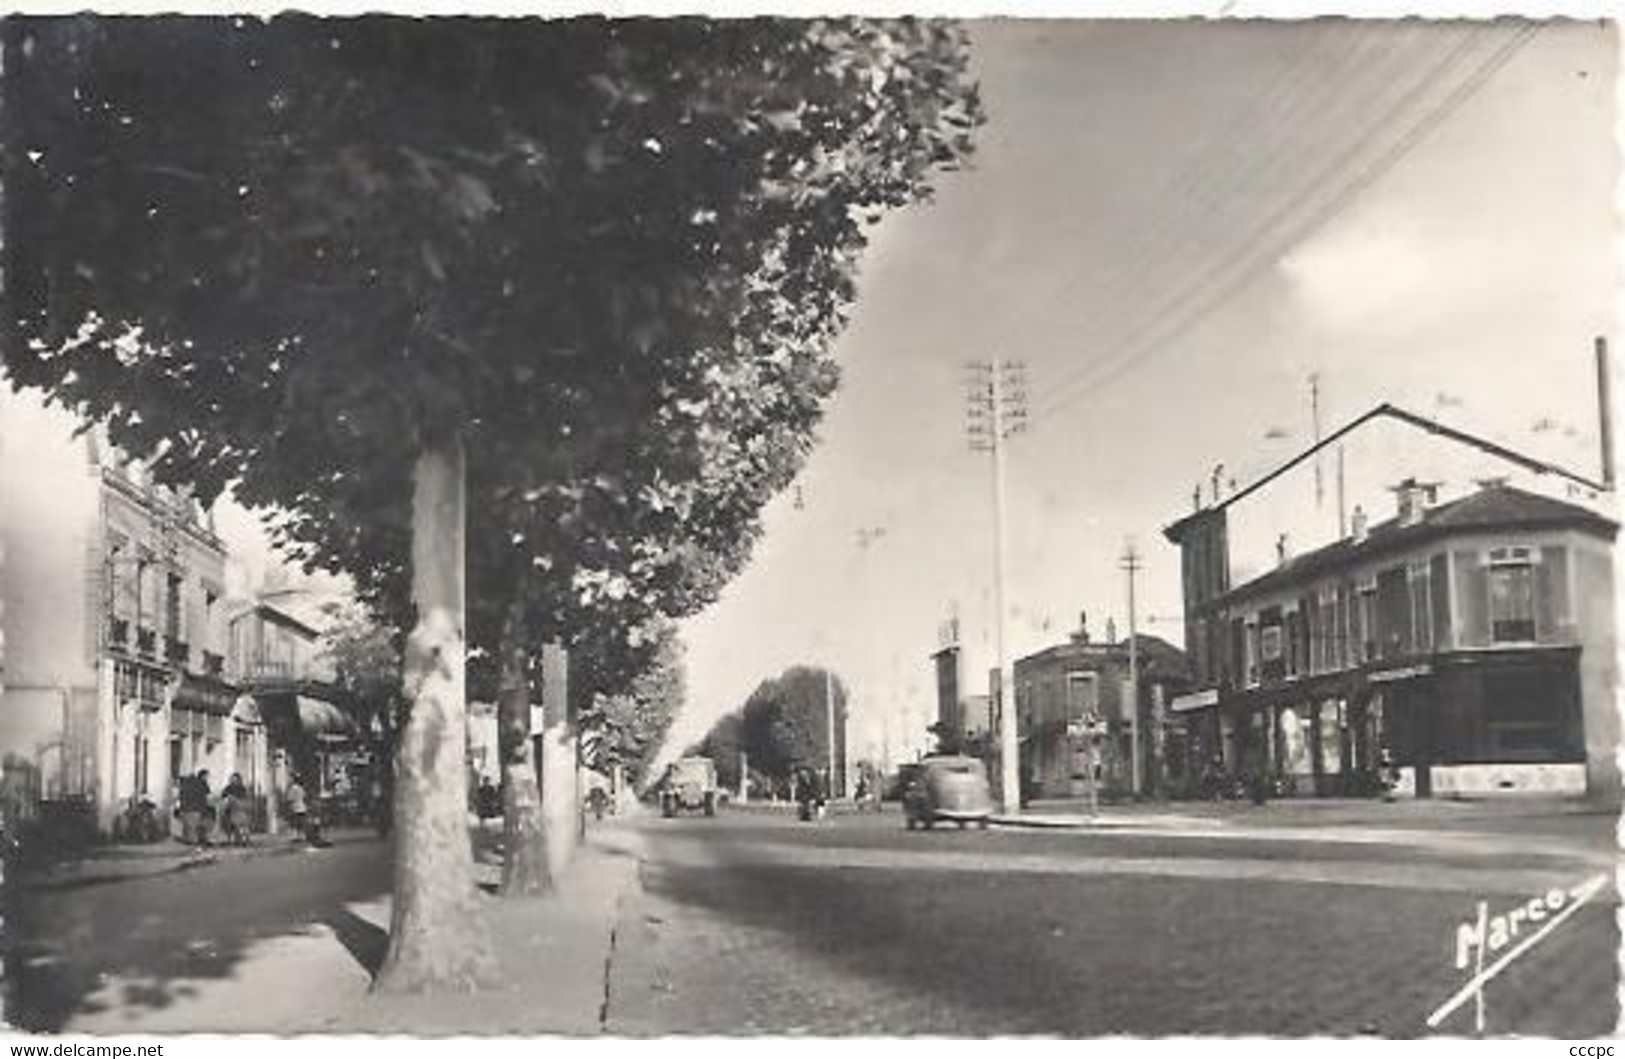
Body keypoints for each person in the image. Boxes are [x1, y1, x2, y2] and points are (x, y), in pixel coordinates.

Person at [178, 769, 212, 847]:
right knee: (194, 826)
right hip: (197, 808)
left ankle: (193, 842)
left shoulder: (185, 785)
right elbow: (206, 796)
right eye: (206, 776)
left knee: (190, 827)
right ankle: (196, 842)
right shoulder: (200, 784)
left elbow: (182, 798)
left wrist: (182, 808)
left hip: (189, 808)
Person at [221, 772, 250, 846]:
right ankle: (232, 839)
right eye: (233, 779)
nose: (234, 780)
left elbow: (244, 797)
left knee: (241, 825)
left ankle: (243, 840)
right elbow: (224, 796)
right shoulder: (228, 787)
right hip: (230, 810)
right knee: (231, 825)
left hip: (239, 809)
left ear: (238, 780)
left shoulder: (242, 788)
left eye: (235, 779)